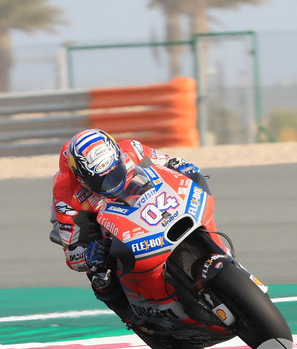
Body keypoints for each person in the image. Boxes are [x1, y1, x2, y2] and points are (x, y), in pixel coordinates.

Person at [49, 128, 209, 325]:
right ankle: (132, 318)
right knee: (98, 273)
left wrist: (186, 169)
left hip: (142, 199)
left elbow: (169, 162)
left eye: (114, 171)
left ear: (117, 155)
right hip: (93, 219)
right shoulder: (65, 193)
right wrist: (89, 253)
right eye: (99, 179)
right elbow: (72, 254)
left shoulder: (131, 149)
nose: (109, 182)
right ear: (82, 178)